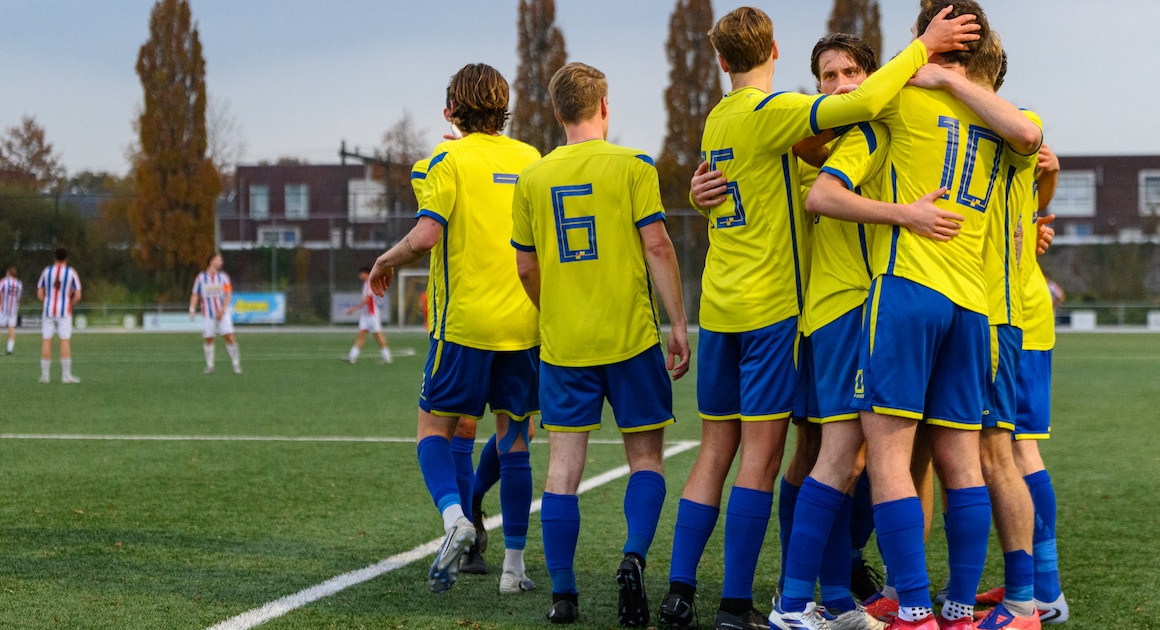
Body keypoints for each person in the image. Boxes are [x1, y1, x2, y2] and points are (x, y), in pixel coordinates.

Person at [656, 6, 979, 630]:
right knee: (819, 453)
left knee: (878, 457)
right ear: (779, 54)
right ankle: (804, 597)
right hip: (807, 314)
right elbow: (815, 184)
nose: (838, 86)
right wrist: (923, 49)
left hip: (828, 309)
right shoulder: (798, 131)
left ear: (721, 61)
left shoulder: (747, 122)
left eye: (850, 72)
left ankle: (836, 589)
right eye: (826, 76)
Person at [809, 3, 1042, 628]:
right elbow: (1030, 140)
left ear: (931, 42)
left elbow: (821, 171)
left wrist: (921, 67)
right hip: (973, 307)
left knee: (885, 458)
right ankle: (960, 609)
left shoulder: (898, 103)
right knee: (963, 462)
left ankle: (913, 608)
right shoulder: (1001, 122)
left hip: (908, 290)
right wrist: (948, 76)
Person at [511, 61, 690, 627]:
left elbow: (525, 267)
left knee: (563, 472)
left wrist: (555, 310)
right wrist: (679, 322)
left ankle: (564, 596)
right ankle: (633, 557)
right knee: (646, 461)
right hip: (632, 339)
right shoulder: (633, 165)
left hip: (565, 346)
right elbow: (658, 246)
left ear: (557, 113)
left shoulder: (533, 178)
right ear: (605, 106)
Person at [369, 62, 541, 596]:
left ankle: (456, 520)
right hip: (524, 325)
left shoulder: (443, 160)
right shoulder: (532, 159)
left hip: (464, 326)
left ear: (451, 111)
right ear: (503, 109)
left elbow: (425, 236)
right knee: (514, 442)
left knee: (432, 432)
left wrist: (384, 261)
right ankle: (513, 569)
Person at [901, 30, 1045, 630]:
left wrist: (944, 78)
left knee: (996, 450)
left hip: (994, 312)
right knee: (925, 454)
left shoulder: (1010, 119)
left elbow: (1040, 145)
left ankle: (1023, 601)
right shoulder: (948, 119)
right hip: (958, 305)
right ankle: (919, 590)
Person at [1007, 144, 1068, 624]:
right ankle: (1024, 583)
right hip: (996, 318)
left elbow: (1043, 168)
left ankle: (1044, 590)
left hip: (1018, 321)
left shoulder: (1010, 132)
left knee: (1018, 449)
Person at [189, 252, 241, 375]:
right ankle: (209, 365)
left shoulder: (223, 277)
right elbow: (195, 294)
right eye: (219, 260)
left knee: (229, 336)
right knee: (208, 339)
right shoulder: (201, 278)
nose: (221, 262)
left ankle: (236, 363)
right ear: (211, 261)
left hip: (222, 313)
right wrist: (192, 309)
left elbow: (228, 294)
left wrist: (222, 309)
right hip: (208, 314)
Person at [38, 248, 82, 384]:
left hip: (48, 311)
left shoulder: (46, 271)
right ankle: (66, 376)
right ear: (67, 258)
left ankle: (45, 376)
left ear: (54, 257)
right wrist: (70, 304)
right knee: (64, 341)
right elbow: (78, 295)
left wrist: (47, 303)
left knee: (46, 341)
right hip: (64, 312)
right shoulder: (71, 272)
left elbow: (40, 294)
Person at [344, 268, 392, 365]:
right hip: (365, 316)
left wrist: (354, 308)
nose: (359, 276)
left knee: (378, 336)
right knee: (361, 335)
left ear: (366, 273)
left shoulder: (370, 283)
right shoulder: (366, 284)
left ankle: (387, 357)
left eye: (361, 274)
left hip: (372, 315)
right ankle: (352, 357)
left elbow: (367, 299)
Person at [0, 265, 23, 355]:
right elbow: (19, 299)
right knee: (11, 328)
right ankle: (10, 349)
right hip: (13, 310)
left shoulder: (4, 281)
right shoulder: (19, 283)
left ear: (8, 273)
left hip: (3, 309)